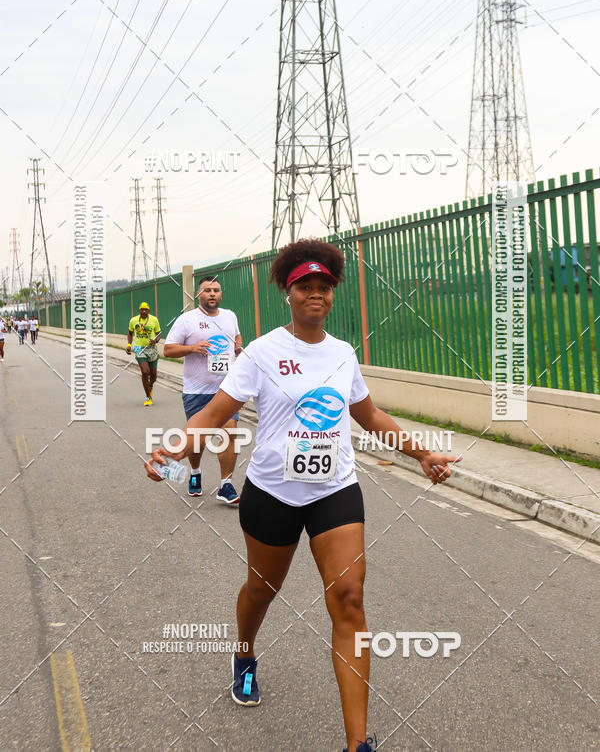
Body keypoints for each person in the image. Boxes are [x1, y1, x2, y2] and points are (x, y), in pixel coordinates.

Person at [145, 239, 460, 752]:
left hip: (334, 489)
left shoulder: (342, 354)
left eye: (324, 288)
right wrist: (175, 448)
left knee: (350, 600)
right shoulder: (264, 352)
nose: (317, 295)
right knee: (260, 591)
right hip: (272, 491)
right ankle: (244, 652)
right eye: (305, 287)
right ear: (288, 295)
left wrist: (421, 453)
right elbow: (215, 413)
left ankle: (357, 744)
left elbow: (369, 416)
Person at [163, 278, 243, 504]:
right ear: (198, 294)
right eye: (207, 290)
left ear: (221, 294)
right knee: (197, 439)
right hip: (196, 390)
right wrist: (192, 348)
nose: (212, 294)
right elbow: (168, 350)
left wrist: (237, 345)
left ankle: (225, 484)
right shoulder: (187, 320)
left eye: (216, 290)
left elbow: (236, 336)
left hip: (225, 389)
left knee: (230, 433)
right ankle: (195, 472)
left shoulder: (230, 316)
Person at [126, 303, 161, 406]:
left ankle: (149, 386)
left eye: (146, 310)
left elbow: (159, 333)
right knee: (145, 372)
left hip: (152, 349)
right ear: (139, 310)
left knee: (153, 376)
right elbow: (130, 333)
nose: (144, 311)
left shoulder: (154, 320)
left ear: (149, 311)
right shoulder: (133, 320)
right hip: (139, 349)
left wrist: (155, 340)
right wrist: (129, 345)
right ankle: (148, 397)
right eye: (142, 310)